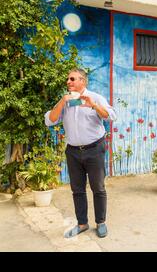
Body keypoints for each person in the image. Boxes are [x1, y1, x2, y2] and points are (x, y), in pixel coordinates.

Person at [44, 68, 117, 238]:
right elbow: (50, 120)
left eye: (72, 79)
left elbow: (111, 116)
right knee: (77, 190)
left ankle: (101, 222)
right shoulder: (66, 100)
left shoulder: (96, 97)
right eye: (68, 79)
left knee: (98, 188)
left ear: (82, 81)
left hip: (94, 150)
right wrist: (62, 101)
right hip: (73, 152)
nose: (68, 82)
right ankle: (82, 223)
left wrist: (93, 105)